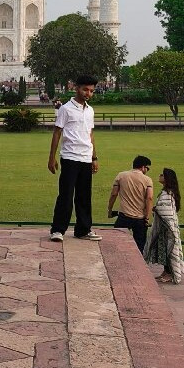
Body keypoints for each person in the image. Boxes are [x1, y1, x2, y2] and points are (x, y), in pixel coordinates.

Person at [48, 74, 101, 242]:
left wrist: (94, 157)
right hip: (70, 157)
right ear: (76, 88)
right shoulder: (66, 109)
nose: (88, 93)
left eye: (91, 91)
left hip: (85, 157)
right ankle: (58, 230)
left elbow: (90, 134)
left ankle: (83, 229)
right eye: (85, 89)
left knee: (84, 196)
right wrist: (52, 158)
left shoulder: (90, 110)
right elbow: (57, 132)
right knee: (66, 195)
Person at [143, 168, 184, 284]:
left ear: (167, 178)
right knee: (164, 250)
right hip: (164, 227)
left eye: (162, 175)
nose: (160, 176)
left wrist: (155, 208)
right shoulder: (169, 192)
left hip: (167, 228)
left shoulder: (167, 193)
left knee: (168, 250)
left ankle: (169, 273)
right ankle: (166, 272)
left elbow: (166, 210)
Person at [108, 155, 154, 253]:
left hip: (124, 216)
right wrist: (147, 217)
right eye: (147, 168)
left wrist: (110, 210)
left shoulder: (121, 176)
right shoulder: (147, 180)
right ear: (143, 167)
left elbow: (114, 194)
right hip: (140, 219)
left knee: (117, 243)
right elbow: (149, 198)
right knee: (139, 247)